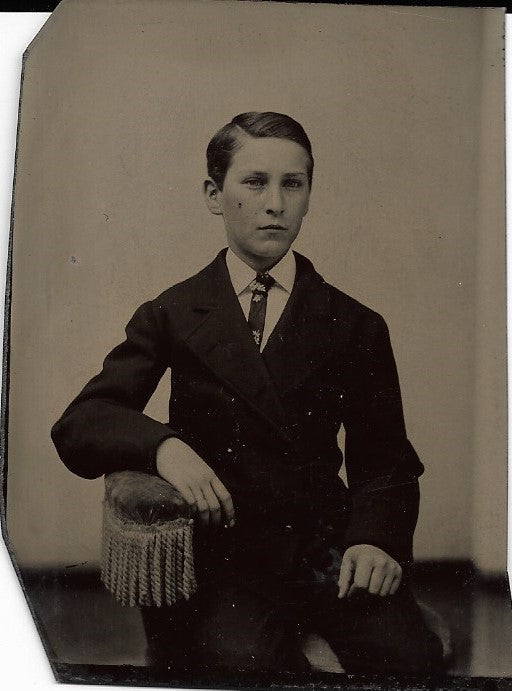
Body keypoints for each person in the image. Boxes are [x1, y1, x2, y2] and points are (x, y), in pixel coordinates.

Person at [51, 112, 444, 675]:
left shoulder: (355, 324)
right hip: (226, 556)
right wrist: (165, 447)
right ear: (215, 194)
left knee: (412, 662)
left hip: (326, 551)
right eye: (254, 182)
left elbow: (385, 460)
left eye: (293, 184)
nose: (275, 204)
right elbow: (83, 421)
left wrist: (376, 541)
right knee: (241, 665)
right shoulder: (173, 312)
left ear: (309, 196)